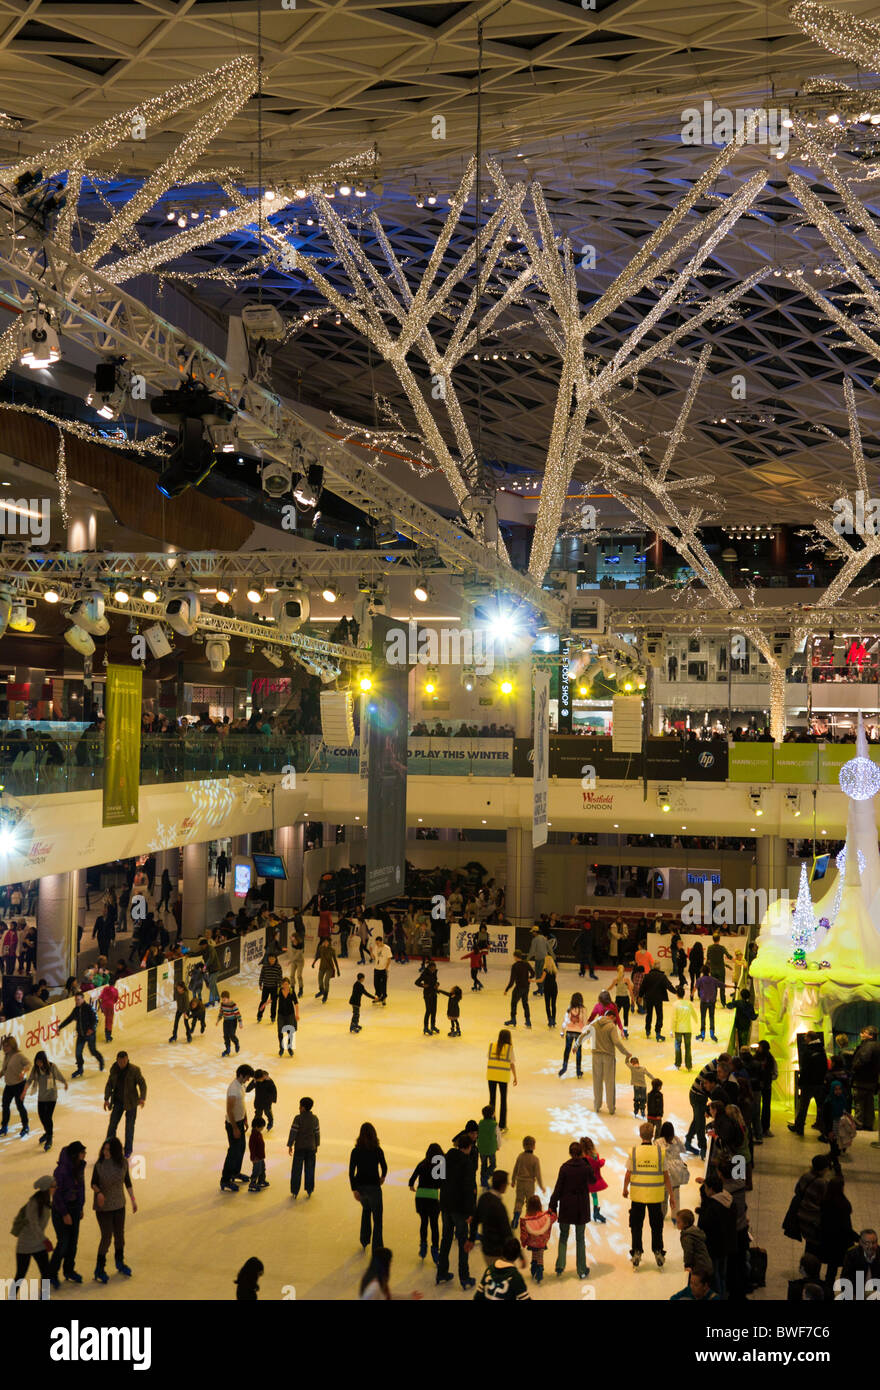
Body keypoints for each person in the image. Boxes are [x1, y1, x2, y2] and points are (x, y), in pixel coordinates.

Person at [623, 1122, 675, 1269]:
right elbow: (666, 1176)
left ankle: (637, 1251)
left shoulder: (634, 1152)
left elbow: (628, 1173)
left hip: (638, 1195)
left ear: (640, 1135)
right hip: (655, 1196)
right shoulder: (659, 1152)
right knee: (656, 1225)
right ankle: (658, 1251)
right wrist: (671, 1195)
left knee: (636, 1225)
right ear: (653, 1135)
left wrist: (625, 1189)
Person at [435, 1131, 477, 1290]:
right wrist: (470, 1213)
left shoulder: (445, 1158)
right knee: (462, 1242)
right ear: (469, 1147)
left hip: (445, 1206)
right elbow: (468, 1190)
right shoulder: (467, 1164)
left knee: (445, 1239)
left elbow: (437, 1178)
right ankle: (464, 1277)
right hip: (460, 1209)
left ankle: (442, 1272)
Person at [91, 1136, 137, 1282]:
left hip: (119, 1205)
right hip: (103, 1207)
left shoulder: (122, 1163)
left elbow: (127, 1181)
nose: (105, 1152)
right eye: (104, 1149)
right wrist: (98, 1193)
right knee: (106, 1237)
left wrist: (133, 1200)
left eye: (108, 1150)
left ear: (116, 1151)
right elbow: (93, 1183)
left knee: (120, 1236)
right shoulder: (99, 1165)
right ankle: (99, 1268)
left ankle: (119, 1262)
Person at [549, 1140, 592, 1279]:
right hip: (581, 1207)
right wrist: (588, 1163)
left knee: (563, 1236)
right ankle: (581, 1270)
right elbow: (593, 1180)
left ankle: (560, 1266)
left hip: (567, 1206)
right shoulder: (585, 1167)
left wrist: (553, 1205)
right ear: (581, 1153)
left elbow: (558, 1188)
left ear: (569, 1153)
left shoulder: (565, 1168)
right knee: (580, 1239)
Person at [48, 1141, 87, 1285]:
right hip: (60, 1211)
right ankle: (51, 1274)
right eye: (82, 1152)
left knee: (73, 1243)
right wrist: (65, 1214)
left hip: (75, 1209)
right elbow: (56, 1195)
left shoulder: (80, 1167)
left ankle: (69, 1270)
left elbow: (81, 1188)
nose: (84, 1155)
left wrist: (81, 1206)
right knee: (63, 1242)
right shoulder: (61, 1171)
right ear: (75, 1155)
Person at [579, 1012, 631, 1115]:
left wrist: (576, 1045)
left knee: (597, 1081)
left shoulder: (594, 1024)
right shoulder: (611, 1026)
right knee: (609, 1082)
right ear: (611, 1017)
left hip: (596, 1056)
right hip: (608, 1056)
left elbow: (583, 1035)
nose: (615, 1022)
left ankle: (597, 1105)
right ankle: (611, 1108)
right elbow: (616, 1042)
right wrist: (626, 1053)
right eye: (615, 1019)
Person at [697, 1171, 737, 1298]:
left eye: (706, 1187)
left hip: (715, 1247)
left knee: (715, 1276)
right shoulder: (729, 1199)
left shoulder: (713, 1207)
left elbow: (703, 1224)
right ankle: (724, 1294)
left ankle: (719, 1296)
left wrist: (704, 1205)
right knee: (722, 1273)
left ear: (711, 1190)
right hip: (728, 1243)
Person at [12, 1175, 56, 1290]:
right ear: (46, 1188)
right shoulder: (34, 1203)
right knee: (21, 1275)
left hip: (38, 1244)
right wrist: (45, 1240)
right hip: (25, 1245)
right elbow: (34, 1225)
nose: (56, 1188)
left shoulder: (46, 1201)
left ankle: (45, 1296)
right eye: (53, 1186)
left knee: (46, 1273)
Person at [789, 1153, 834, 1263]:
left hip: (802, 1216)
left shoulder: (805, 1176)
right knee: (815, 1247)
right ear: (824, 1169)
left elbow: (797, 1191)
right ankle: (811, 1267)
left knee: (809, 1245)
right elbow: (826, 1203)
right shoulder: (823, 1183)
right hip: (814, 1220)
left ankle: (807, 1265)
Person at [103, 1052, 147, 1158]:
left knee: (129, 1128)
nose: (122, 1063)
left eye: (124, 1061)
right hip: (118, 1102)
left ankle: (128, 1150)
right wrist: (106, 1099)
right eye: (120, 1061)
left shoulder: (134, 1070)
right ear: (117, 1060)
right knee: (112, 1126)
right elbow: (109, 1084)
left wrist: (142, 1098)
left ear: (127, 1059)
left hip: (131, 1103)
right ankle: (110, 1148)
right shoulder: (114, 1069)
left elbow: (142, 1083)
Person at [818, 1174, 856, 1293]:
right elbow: (846, 1227)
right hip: (840, 1242)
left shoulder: (824, 1201)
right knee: (845, 1268)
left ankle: (827, 1290)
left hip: (827, 1240)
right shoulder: (843, 1204)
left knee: (831, 1269)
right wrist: (858, 1237)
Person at [23, 1051, 67, 1152]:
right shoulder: (36, 1069)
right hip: (42, 1098)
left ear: (44, 1061)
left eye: (40, 1062)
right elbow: (30, 1080)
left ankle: (49, 1137)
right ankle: (47, 1132)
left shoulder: (52, 1067)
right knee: (42, 1116)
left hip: (51, 1097)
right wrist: (24, 1090)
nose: (39, 1064)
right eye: (37, 1062)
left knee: (48, 1117)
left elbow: (59, 1076)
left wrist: (64, 1082)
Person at [220, 1063, 254, 1194]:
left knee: (241, 1149)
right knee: (233, 1152)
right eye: (247, 1077)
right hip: (233, 1124)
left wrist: (245, 1118)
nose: (248, 1080)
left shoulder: (241, 1085)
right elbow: (229, 1109)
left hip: (240, 1122)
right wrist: (234, 1128)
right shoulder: (233, 1089)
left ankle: (235, 1172)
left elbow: (242, 1104)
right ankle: (225, 1179)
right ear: (241, 1075)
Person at [789, 1031, 829, 1135]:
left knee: (803, 1106)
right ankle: (822, 1126)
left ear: (810, 1038)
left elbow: (805, 1068)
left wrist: (801, 1082)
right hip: (819, 1082)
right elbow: (824, 1066)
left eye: (806, 1037)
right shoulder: (822, 1049)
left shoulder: (808, 1051)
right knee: (821, 1105)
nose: (804, 1039)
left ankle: (799, 1126)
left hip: (808, 1083)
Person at [409, 1142, 443, 1262]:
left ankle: (423, 1247)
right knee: (434, 1225)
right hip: (432, 1198)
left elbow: (411, 1180)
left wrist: (412, 1186)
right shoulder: (439, 1167)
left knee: (424, 1223)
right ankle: (435, 1250)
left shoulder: (422, 1164)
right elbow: (441, 1183)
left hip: (420, 1197)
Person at [470, 1169, 512, 1266]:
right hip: (498, 1251)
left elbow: (475, 1220)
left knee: (494, 1275)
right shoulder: (498, 1206)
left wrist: (471, 1239)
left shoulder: (484, 1198)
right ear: (502, 1185)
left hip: (487, 1249)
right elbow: (506, 1231)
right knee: (501, 1277)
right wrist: (518, 1254)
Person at [59, 992, 104, 1077]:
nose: (77, 1001)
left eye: (78, 999)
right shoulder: (76, 1010)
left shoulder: (89, 1008)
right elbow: (69, 1019)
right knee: (78, 1053)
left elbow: (95, 1019)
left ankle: (101, 1060)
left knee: (93, 1051)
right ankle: (80, 1069)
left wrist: (91, 1029)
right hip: (81, 1035)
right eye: (75, 1000)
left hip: (90, 1035)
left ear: (83, 999)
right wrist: (60, 1027)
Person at [474, 1235, 531, 1300]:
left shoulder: (489, 1269)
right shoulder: (515, 1277)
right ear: (516, 1256)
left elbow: (478, 1296)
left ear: (502, 1251)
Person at [288, 1096, 320, 1198]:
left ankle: (294, 1190)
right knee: (310, 1169)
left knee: (296, 1170)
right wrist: (317, 1144)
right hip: (311, 1148)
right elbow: (317, 1133)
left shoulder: (298, 1118)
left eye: (300, 1106)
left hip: (299, 1148)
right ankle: (309, 1189)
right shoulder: (315, 1119)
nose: (299, 1108)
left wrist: (290, 1144)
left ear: (303, 1107)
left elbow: (293, 1132)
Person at [519, 1195, 557, 1283]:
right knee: (540, 1255)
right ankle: (540, 1270)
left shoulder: (526, 1220)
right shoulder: (545, 1217)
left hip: (532, 1242)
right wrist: (552, 1212)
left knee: (534, 1254)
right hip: (542, 1242)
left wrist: (523, 1241)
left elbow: (524, 1234)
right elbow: (554, 1218)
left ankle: (533, 1268)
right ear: (539, 1205)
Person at [850, 1025, 880, 1130]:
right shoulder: (877, 1046)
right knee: (869, 1102)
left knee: (859, 1102)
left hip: (862, 1079)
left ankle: (858, 1123)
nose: (861, 1034)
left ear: (871, 1035)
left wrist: (854, 1068)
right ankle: (868, 1123)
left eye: (864, 1033)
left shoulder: (867, 1046)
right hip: (872, 1080)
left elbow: (863, 1060)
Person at [486, 1028, 516, 1132]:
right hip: (503, 1076)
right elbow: (512, 1063)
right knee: (503, 1101)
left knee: (492, 1100)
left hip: (491, 1075)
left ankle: (492, 1122)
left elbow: (489, 1058)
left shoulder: (492, 1046)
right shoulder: (509, 1048)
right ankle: (502, 1125)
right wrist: (515, 1077)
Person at [0, 1035, 30, 1138]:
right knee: (5, 1105)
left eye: (6, 1046)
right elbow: (5, 1069)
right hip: (9, 1085)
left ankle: (25, 1126)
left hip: (19, 1085)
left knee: (20, 1106)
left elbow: (28, 1064)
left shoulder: (19, 1055)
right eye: (3, 1046)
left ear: (12, 1046)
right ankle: (4, 1126)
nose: (4, 1048)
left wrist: (23, 1072)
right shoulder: (7, 1056)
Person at [511, 1136, 543, 1227]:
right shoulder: (535, 1159)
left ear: (523, 1145)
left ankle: (515, 1219)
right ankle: (529, 1220)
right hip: (530, 1183)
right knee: (530, 1202)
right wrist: (541, 1186)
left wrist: (513, 1180)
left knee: (519, 1201)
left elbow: (515, 1169)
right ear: (534, 1146)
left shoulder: (520, 1157)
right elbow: (538, 1174)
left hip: (520, 1182)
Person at [675, 1209, 713, 1280]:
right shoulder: (695, 1230)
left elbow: (688, 1251)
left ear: (685, 1224)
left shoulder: (687, 1236)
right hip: (706, 1263)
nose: (677, 1224)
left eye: (678, 1222)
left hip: (699, 1266)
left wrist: (687, 1265)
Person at [558, 992, 588, 1078]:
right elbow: (585, 1022)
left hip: (569, 1032)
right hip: (578, 1033)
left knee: (567, 1050)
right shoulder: (583, 1009)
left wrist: (562, 1032)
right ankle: (578, 1071)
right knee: (578, 1051)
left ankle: (564, 1067)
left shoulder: (569, 1009)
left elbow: (565, 1021)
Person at [640, 964, 672, 1042]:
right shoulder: (662, 976)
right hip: (658, 999)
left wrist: (640, 996)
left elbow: (643, 986)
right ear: (659, 968)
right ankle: (658, 1032)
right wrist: (677, 992)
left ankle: (648, 1031)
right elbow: (669, 986)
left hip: (649, 998)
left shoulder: (647, 976)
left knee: (649, 1015)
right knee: (659, 1015)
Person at [503, 951, 534, 1028]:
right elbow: (533, 973)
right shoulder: (526, 963)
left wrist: (507, 989)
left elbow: (512, 980)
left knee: (514, 1003)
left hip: (519, 987)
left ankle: (513, 1019)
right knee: (525, 1003)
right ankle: (528, 1021)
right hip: (526, 987)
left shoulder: (515, 966)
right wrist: (529, 978)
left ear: (516, 957)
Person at [581, 1136, 608, 1223]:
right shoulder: (595, 1156)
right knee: (594, 1196)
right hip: (593, 1180)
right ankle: (596, 1212)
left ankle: (582, 1212)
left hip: (584, 1181)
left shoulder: (582, 1157)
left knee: (583, 1196)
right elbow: (597, 1164)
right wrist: (602, 1161)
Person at [755, 1038, 777, 1137]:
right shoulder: (767, 1058)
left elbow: (775, 1073)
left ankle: (765, 1128)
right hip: (760, 1087)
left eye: (759, 1047)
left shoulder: (770, 1059)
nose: (758, 1048)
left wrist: (767, 1079)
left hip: (764, 1087)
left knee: (765, 1107)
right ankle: (759, 1128)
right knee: (758, 1108)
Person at [672, 988, 697, 1070]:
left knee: (678, 1047)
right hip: (687, 1028)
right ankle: (689, 1065)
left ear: (677, 994)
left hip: (678, 1029)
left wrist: (671, 1030)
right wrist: (696, 1021)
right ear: (684, 994)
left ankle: (678, 1064)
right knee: (688, 1047)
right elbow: (694, 1014)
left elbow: (674, 1018)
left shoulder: (675, 1004)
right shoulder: (688, 1003)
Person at [477, 1105, 500, 1189]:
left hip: (482, 1148)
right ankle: (485, 1177)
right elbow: (498, 1136)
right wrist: (498, 1145)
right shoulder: (494, 1124)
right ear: (493, 1114)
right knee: (493, 1164)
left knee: (483, 1164)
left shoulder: (480, 1123)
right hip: (491, 1148)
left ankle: (483, 1180)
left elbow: (478, 1134)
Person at [416, 958, 441, 1036]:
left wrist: (437, 984)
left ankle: (433, 1026)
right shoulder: (424, 974)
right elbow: (416, 982)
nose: (434, 969)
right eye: (433, 968)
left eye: (435, 968)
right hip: (427, 995)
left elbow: (434, 981)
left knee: (434, 1011)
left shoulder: (434, 972)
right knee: (428, 1011)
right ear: (429, 968)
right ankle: (426, 1028)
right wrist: (423, 985)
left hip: (434, 993)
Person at [695, 967, 720, 1042]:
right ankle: (712, 1034)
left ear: (702, 971)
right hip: (712, 1001)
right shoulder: (713, 979)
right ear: (709, 971)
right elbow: (722, 985)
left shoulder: (700, 980)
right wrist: (733, 986)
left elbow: (695, 987)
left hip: (704, 1001)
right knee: (711, 1017)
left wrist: (692, 994)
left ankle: (702, 1034)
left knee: (703, 1017)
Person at [706, 933, 732, 1005]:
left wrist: (706, 968)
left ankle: (713, 1001)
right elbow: (728, 956)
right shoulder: (722, 948)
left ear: (713, 939)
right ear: (719, 939)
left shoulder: (709, 948)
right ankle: (723, 1002)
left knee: (714, 986)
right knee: (722, 986)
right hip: (721, 970)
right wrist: (735, 960)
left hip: (713, 969)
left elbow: (708, 959)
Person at [257, 953, 283, 1024]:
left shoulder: (278, 967)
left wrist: (280, 986)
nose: (271, 960)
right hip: (266, 987)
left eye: (273, 959)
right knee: (263, 1001)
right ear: (268, 959)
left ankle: (273, 1017)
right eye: (270, 959)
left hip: (274, 987)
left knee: (274, 1003)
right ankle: (259, 1015)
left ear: (275, 959)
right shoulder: (265, 966)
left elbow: (280, 977)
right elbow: (261, 975)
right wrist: (260, 984)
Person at [312, 938, 340, 1004]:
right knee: (320, 980)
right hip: (322, 967)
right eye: (324, 942)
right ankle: (321, 991)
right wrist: (314, 963)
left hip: (329, 968)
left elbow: (335, 960)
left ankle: (325, 995)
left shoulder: (332, 950)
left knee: (326, 981)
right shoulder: (321, 948)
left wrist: (338, 970)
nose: (325, 943)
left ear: (329, 943)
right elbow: (318, 956)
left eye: (326, 942)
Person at [276, 977, 298, 1057]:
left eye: (287, 984)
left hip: (290, 1015)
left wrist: (297, 1014)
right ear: (282, 985)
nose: (286, 986)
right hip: (281, 1015)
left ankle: (289, 1048)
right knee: (280, 1032)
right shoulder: (279, 991)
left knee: (290, 1032)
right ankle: (281, 1048)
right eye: (284, 984)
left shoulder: (291, 991)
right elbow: (273, 999)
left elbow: (296, 1003)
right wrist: (265, 1004)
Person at [611, 963, 634, 1037]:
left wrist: (604, 992)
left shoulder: (615, 980)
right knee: (625, 1016)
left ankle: (612, 1030)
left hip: (618, 1000)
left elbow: (610, 988)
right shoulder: (626, 980)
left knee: (615, 1015)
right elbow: (630, 991)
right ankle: (625, 1031)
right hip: (625, 999)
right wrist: (632, 1000)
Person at [217, 990, 243, 1056]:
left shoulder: (233, 1005)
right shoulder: (222, 1004)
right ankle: (227, 1049)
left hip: (233, 1021)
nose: (223, 1001)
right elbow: (221, 1012)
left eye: (224, 1000)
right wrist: (218, 1020)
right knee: (225, 1035)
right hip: (226, 1021)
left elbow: (237, 1013)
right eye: (222, 1000)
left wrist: (240, 1022)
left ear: (228, 999)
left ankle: (236, 1043)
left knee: (231, 1034)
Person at [247, 1116, 269, 1193]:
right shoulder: (253, 1136)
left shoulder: (259, 1134)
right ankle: (252, 1183)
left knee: (262, 1169)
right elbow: (252, 1148)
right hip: (256, 1157)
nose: (263, 1129)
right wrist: (253, 1157)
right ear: (257, 1127)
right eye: (262, 1127)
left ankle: (261, 1180)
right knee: (256, 1170)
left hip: (261, 1156)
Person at [537, 953, 558, 1027]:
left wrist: (532, 980)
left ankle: (550, 1020)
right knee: (553, 1004)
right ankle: (554, 1020)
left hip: (547, 988)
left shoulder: (545, 970)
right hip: (554, 988)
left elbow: (541, 980)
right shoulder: (555, 970)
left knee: (547, 1005)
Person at [370, 935, 392, 1005]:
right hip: (376, 968)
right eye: (376, 943)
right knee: (376, 984)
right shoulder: (376, 947)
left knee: (383, 984)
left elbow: (389, 959)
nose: (377, 944)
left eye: (378, 943)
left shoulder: (387, 948)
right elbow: (373, 957)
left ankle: (384, 998)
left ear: (381, 941)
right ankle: (379, 996)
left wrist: (386, 968)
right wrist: (370, 951)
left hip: (383, 969)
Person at [527, 927, 548, 994]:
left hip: (539, 959)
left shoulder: (535, 940)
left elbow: (532, 951)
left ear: (535, 932)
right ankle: (543, 988)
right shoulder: (544, 938)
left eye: (533, 932)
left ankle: (540, 989)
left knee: (538, 974)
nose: (532, 933)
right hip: (545, 958)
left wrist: (527, 959)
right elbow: (549, 947)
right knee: (542, 974)